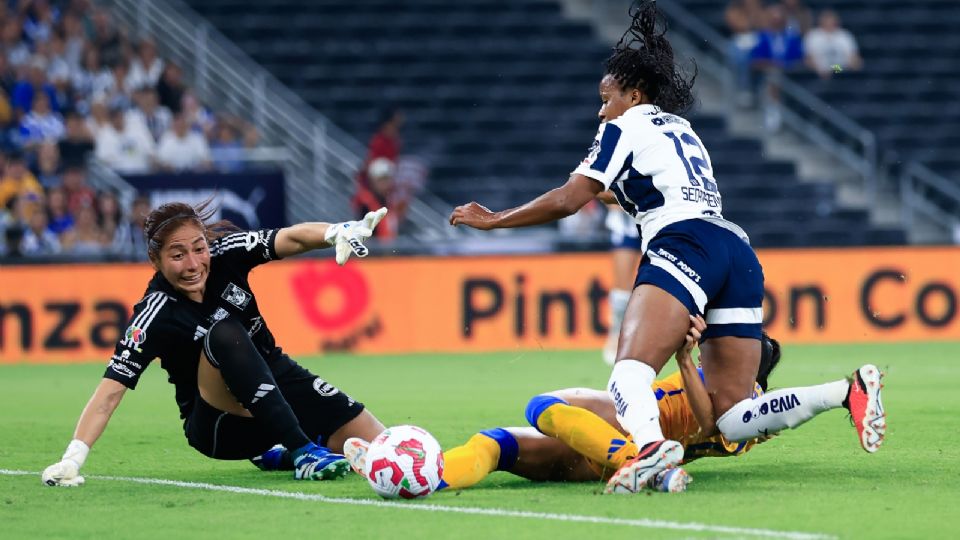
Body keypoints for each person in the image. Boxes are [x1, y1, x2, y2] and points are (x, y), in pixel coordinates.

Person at [449, 1, 885, 494]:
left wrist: (495, 221)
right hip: (735, 249)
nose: (601, 109)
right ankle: (843, 391)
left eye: (606, 97)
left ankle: (652, 453)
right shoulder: (682, 129)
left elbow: (572, 199)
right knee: (730, 412)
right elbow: (639, 192)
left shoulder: (623, 126)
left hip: (682, 241)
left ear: (633, 94)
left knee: (629, 371)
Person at [41, 201, 391, 486]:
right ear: (155, 261)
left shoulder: (226, 255)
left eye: (199, 249)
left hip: (276, 378)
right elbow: (109, 393)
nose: (193, 264)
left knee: (380, 445)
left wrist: (334, 232)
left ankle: (278, 450)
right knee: (224, 332)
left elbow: (291, 239)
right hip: (218, 425)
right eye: (178, 255)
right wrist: (73, 458)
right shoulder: (156, 313)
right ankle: (303, 452)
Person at [602, 206, 642, 366]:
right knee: (622, 292)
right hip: (627, 219)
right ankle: (617, 335)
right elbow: (600, 189)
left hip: (658, 216)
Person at [803, 9, 862, 79]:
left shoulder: (844, 35)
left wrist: (836, 70)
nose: (829, 23)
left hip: (842, 73)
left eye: (831, 21)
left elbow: (854, 57)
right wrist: (820, 69)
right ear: (821, 21)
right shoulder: (813, 35)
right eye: (827, 21)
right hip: (818, 73)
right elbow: (808, 58)